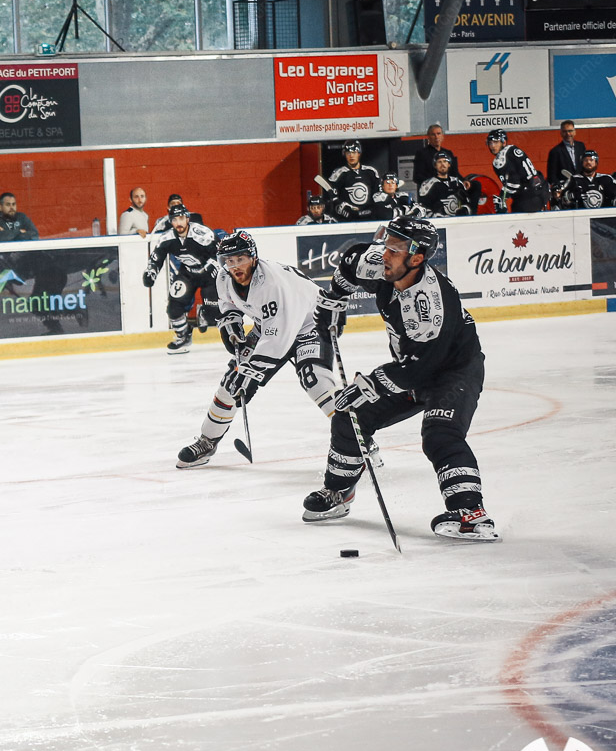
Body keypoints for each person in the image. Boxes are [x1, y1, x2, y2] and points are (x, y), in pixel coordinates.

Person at [302, 216, 498, 541]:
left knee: (440, 434)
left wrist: (370, 384)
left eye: (395, 249)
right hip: (413, 365)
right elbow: (351, 260)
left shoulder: (430, 305)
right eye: (387, 244)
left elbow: (418, 371)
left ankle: (470, 513)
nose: (385, 254)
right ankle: (339, 492)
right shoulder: (383, 264)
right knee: (350, 416)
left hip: (453, 371)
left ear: (417, 259)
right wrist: (334, 299)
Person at [175, 229, 339, 467]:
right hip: (271, 326)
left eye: (240, 259)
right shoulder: (224, 277)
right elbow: (228, 303)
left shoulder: (272, 285)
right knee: (231, 383)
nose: (235, 266)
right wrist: (231, 321)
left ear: (253, 257)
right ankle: (207, 441)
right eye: (229, 261)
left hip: (312, 324)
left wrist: (250, 374)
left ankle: (356, 438)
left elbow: (277, 341)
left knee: (316, 381)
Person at [143, 204, 219, 354]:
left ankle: (204, 312)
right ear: (171, 222)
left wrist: (213, 266)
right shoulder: (167, 238)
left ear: (187, 219)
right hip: (188, 273)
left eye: (181, 218)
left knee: (213, 313)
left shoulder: (202, 233)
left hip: (208, 273)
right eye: (175, 220)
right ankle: (183, 335)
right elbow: (157, 257)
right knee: (174, 307)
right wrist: (151, 272)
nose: (178, 223)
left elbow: (219, 252)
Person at [413, 124, 482, 208]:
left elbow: (455, 173)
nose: (436, 137)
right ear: (428, 137)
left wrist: (463, 181)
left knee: (476, 185)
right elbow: (417, 177)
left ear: (442, 136)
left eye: (438, 134)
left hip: (450, 185)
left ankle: (470, 211)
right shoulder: (422, 153)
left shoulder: (448, 153)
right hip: (433, 188)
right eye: (433, 134)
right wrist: (436, 182)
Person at [486, 129, 548, 214]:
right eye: (490, 143)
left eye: (496, 142)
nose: (493, 146)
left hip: (528, 197)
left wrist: (502, 197)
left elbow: (515, 184)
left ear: (504, 142)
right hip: (542, 191)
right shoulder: (513, 149)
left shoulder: (500, 159)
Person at [326, 140, 381, 221]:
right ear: (344, 154)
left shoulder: (371, 172)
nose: (351, 156)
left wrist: (373, 209)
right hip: (348, 218)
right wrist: (342, 207)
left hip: (369, 217)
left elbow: (378, 193)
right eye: (348, 153)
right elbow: (332, 198)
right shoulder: (338, 174)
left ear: (359, 153)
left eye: (354, 152)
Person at [418, 152, 473, 217]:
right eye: (439, 162)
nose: (442, 164)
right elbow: (423, 207)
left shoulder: (458, 183)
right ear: (435, 165)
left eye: (445, 161)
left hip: (458, 220)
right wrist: (436, 216)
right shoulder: (428, 185)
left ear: (449, 164)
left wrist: (464, 210)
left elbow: (467, 203)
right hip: (440, 221)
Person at [546, 120, 586, 205]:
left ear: (574, 132)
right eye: (565, 131)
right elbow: (551, 175)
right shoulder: (555, 151)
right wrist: (559, 188)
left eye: (570, 131)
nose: (568, 134)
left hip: (581, 189)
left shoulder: (581, 146)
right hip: (565, 191)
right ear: (561, 133)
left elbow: (584, 167)